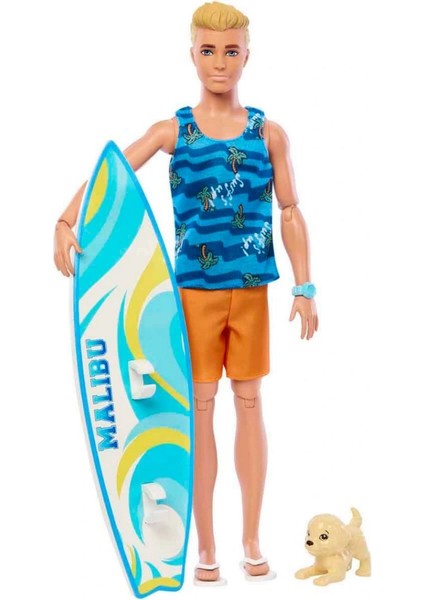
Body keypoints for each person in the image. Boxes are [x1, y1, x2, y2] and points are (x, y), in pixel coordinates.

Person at [53, 1, 318, 586]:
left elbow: (290, 210)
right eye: (208, 50)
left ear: (247, 55)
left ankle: (251, 538)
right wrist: (67, 218)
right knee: (198, 410)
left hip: (251, 291)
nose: (220, 62)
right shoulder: (174, 131)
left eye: (231, 51)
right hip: (193, 293)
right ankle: (206, 544)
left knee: (250, 405)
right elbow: (115, 171)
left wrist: (305, 285)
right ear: (192, 55)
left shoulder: (268, 133)